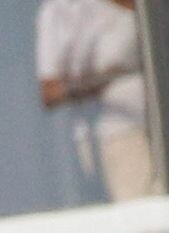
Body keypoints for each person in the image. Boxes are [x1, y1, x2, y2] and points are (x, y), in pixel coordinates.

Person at [36, 0, 155, 203]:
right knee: (143, 206)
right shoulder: (61, 9)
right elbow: (50, 91)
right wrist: (101, 80)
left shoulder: (155, 8)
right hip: (119, 133)